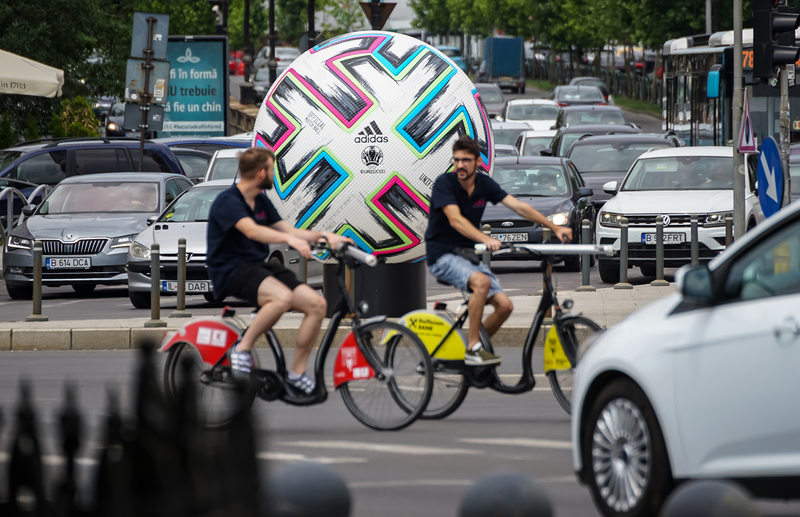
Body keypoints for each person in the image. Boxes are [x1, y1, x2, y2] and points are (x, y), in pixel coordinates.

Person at [206, 148, 352, 394]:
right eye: (272, 170)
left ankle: (296, 373)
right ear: (261, 172)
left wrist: (326, 236)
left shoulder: (261, 200)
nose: (274, 175)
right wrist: (290, 241)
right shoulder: (228, 201)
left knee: (317, 304)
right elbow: (252, 231)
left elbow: (290, 231)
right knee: (281, 297)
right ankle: (241, 349)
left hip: (258, 267)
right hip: (230, 270)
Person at [425, 136, 572, 366]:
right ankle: (473, 348)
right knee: (481, 283)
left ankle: (475, 349)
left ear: (477, 162)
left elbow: (518, 206)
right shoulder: (445, 183)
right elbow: (455, 220)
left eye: (466, 160)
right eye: (457, 160)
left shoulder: (484, 185)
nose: (460, 165)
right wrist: (485, 238)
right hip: (442, 255)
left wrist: (553, 226)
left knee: (505, 306)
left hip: (466, 256)